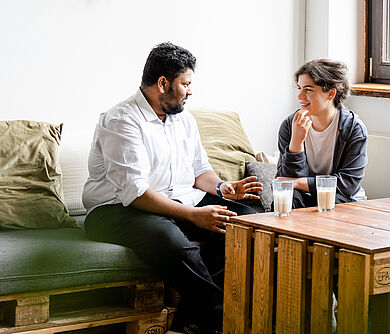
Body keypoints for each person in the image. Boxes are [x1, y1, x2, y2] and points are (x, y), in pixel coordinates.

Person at [82, 42, 262, 333]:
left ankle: (190, 319)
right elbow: (136, 193)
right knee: (174, 242)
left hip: (174, 201)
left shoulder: (183, 119)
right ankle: (223, 319)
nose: (190, 91)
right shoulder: (121, 120)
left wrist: (223, 187)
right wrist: (192, 215)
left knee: (247, 222)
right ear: (163, 83)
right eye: (185, 84)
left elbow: (199, 172)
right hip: (116, 210)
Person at [276, 59, 367, 208]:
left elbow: (347, 184)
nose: (300, 96)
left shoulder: (353, 129)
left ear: (330, 93)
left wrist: (299, 182)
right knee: (285, 200)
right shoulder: (290, 125)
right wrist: (296, 144)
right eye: (299, 88)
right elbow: (285, 182)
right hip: (303, 196)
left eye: (308, 90)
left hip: (342, 199)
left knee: (330, 204)